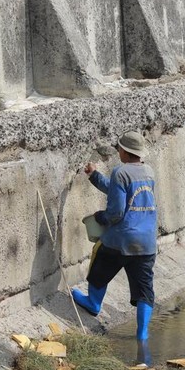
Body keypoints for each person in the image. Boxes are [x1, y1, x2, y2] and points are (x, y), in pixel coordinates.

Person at [73, 131, 157, 341]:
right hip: (146, 242)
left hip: (121, 239)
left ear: (125, 152)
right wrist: (95, 176)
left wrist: (101, 216)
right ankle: (143, 333)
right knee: (144, 288)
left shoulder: (120, 172)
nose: (118, 151)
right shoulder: (149, 172)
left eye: (119, 148)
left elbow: (116, 212)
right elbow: (117, 191)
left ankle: (93, 303)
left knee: (99, 256)